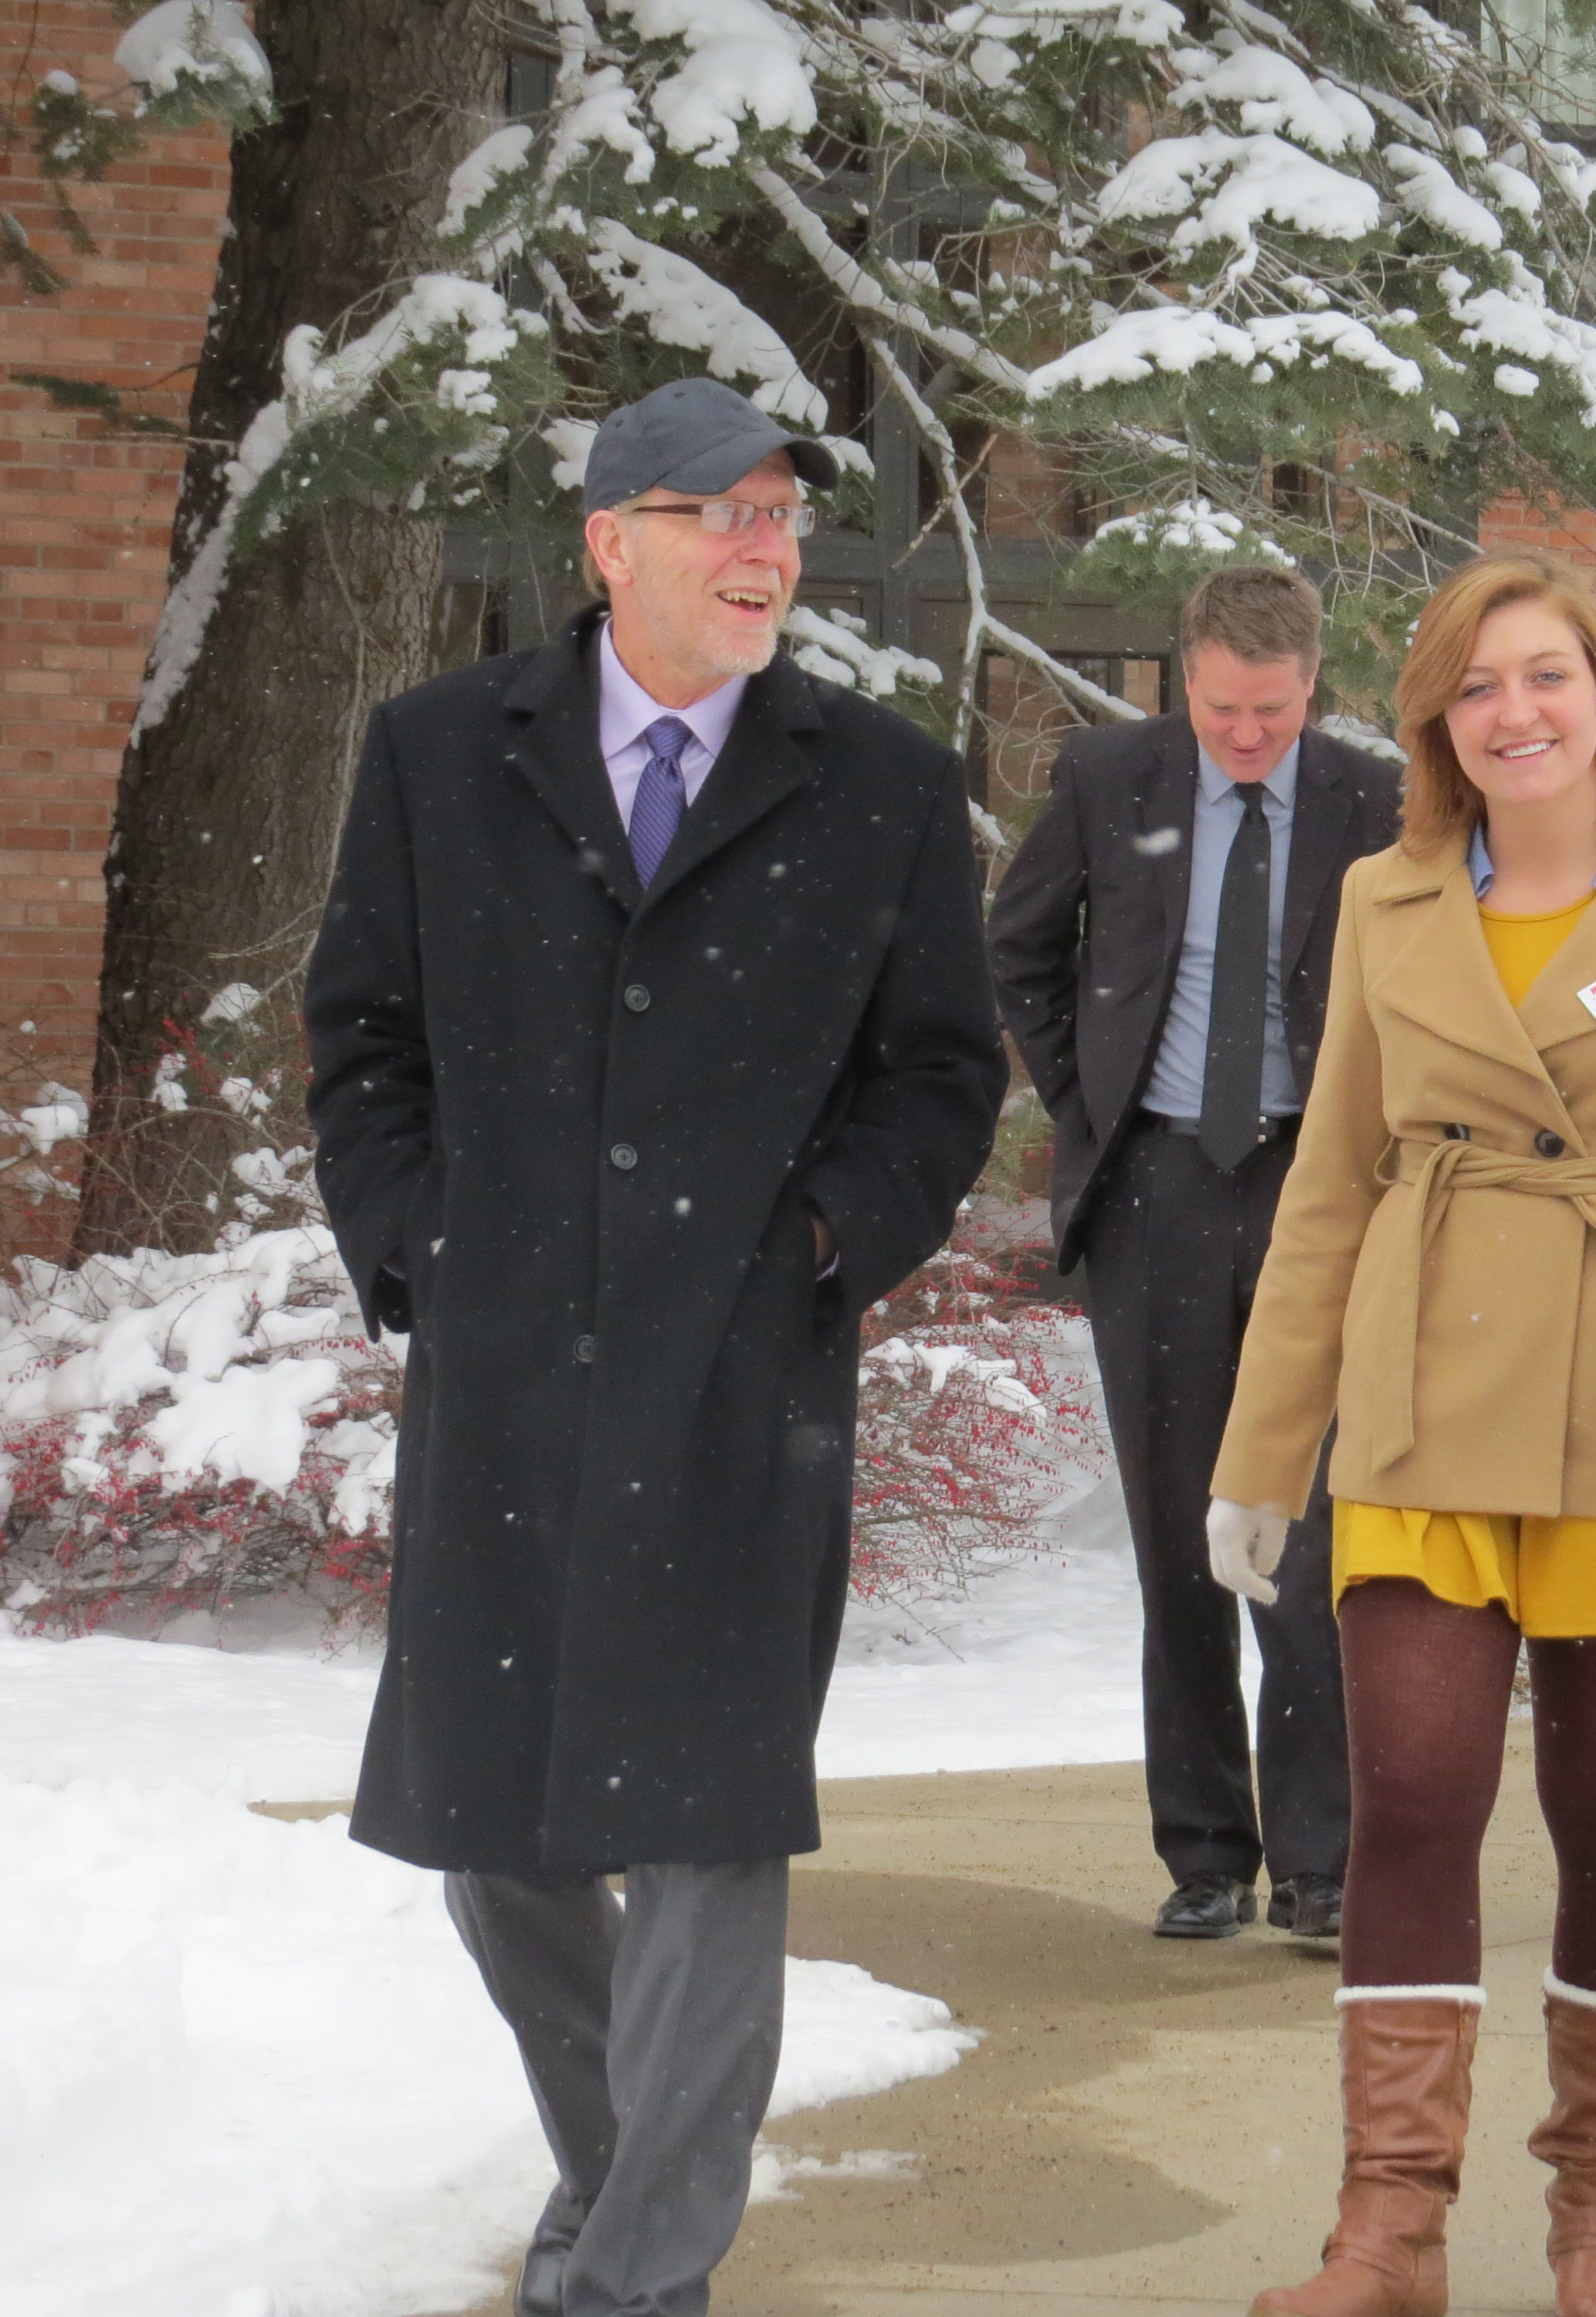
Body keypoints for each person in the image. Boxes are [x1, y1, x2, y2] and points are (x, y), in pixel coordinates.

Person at [306, 373, 1008, 2317]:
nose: (764, 545)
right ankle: (618, 2169)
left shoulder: (872, 781)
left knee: (703, 1836)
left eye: (781, 512)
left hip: (738, 1382)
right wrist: (428, 1251)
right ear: (613, 543)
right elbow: (364, 1041)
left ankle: (639, 2276)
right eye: (719, 512)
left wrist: (818, 1244)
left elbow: (940, 1075)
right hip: (507, 1373)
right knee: (500, 1841)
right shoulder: (442, 754)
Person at [1207, 553, 1596, 2317]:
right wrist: (1258, 1450)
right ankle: (1386, 2230)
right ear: (1436, 722)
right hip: (1424, 1376)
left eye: (1545, 675)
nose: (1514, 712)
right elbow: (1326, 1191)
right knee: (1415, 1796)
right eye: (1475, 687)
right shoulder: (1386, 900)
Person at [988, 567, 1400, 1940]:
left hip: (1315, 1187)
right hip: (1155, 1187)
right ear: (1186, 677)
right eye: (1224, 708)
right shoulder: (1114, 777)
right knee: (1179, 1537)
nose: (1246, 734)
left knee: (1308, 1528)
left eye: (1272, 713)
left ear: (1312, 687)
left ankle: (1323, 1865)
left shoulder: (1372, 803)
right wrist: (1089, 1100)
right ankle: (1206, 1856)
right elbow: (1022, 950)